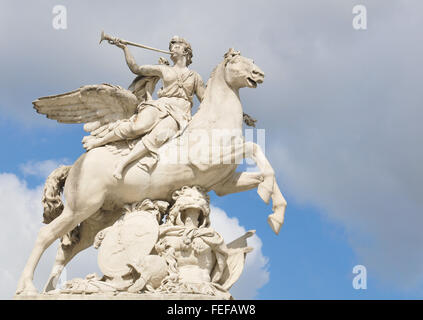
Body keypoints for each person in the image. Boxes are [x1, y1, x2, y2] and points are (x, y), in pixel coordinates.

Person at [84, 36, 206, 179]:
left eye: (176, 46)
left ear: (185, 51)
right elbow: (136, 68)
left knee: (158, 136)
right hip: (161, 106)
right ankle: (100, 141)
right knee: (138, 127)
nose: (171, 50)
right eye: (170, 47)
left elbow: (204, 99)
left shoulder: (195, 76)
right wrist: (125, 48)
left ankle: (123, 164)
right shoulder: (163, 69)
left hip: (179, 114)